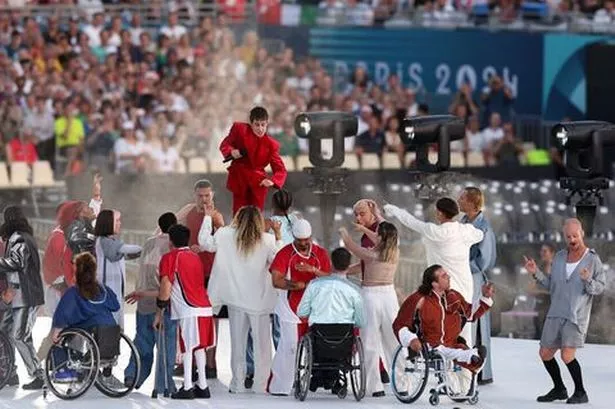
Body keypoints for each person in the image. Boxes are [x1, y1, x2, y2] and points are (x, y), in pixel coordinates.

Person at [199, 205, 282, 393]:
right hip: (259, 301)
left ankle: (237, 383)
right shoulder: (267, 239)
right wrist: (278, 235)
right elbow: (278, 259)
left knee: (238, 344)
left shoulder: (224, 234)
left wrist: (207, 217)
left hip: (235, 299)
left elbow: (205, 243)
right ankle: (260, 385)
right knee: (262, 347)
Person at [523, 218, 605, 404]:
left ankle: (581, 392)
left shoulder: (593, 259)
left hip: (575, 316)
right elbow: (551, 285)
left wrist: (588, 281)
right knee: (545, 353)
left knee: (567, 355)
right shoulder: (559, 257)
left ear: (582, 233)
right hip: (555, 312)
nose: (572, 239)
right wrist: (535, 272)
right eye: (568, 236)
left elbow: (600, 287)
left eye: (575, 235)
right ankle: (559, 389)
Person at [384, 198, 484, 344]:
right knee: (464, 327)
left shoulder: (434, 231)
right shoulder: (466, 231)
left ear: (439, 213)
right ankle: (466, 364)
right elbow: (480, 234)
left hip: (441, 285)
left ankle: (444, 362)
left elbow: (411, 221)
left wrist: (393, 209)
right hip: (464, 285)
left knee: (442, 327)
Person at [267, 219, 332, 396]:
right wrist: (299, 286)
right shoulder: (285, 253)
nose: (303, 243)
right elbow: (276, 280)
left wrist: (312, 270)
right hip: (291, 308)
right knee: (290, 346)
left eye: (306, 240)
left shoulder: (320, 253)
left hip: (317, 308)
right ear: (294, 237)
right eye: (299, 240)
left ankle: (321, 378)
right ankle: (279, 385)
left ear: (310, 237)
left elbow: (329, 276)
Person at [393, 265, 495, 376]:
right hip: (430, 345)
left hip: (452, 343)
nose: (449, 277)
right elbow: (400, 324)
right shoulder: (419, 299)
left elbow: (470, 314)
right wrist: (411, 339)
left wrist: (485, 297)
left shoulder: (453, 296)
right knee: (461, 354)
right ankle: (473, 357)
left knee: (463, 354)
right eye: (444, 276)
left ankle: (474, 358)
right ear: (434, 283)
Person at [339, 221, 400, 397]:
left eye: (377, 233)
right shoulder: (394, 251)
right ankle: (401, 384)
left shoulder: (372, 254)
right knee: (393, 340)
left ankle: (375, 386)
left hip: (371, 296)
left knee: (370, 341)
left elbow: (351, 247)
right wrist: (366, 229)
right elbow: (382, 237)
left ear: (381, 237)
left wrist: (344, 232)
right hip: (389, 296)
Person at [245, 189, 299, 387]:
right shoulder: (297, 221)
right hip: (287, 280)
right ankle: (285, 369)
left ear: (273, 204)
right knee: (282, 328)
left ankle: (252, 369)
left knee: (255, 327)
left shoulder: (266, 225)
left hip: (266, 279)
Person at [155, 224, 215, 400]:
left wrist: (159, 310)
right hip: (204, 306)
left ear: (170, 240)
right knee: (199, 347)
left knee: (187, 347)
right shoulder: (195, 257)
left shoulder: (169, 258)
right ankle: (202, 386)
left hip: (189, 309)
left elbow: (166, 286)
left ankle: (187, 386)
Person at [297, 247, 364, 394]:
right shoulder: (354, 290)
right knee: (345, 341)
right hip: (344, 338)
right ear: (348, 265)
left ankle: (319, 376)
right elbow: (360, 321)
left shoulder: (315, 285)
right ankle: (335, 378)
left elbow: (301, 312)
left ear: (331, 264)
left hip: (319, 336)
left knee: (315, 337)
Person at [123, 212, 178, 391]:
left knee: (142, 342)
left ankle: (133, 375)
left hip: (142, 304)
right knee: (165, 348)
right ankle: (164, 384)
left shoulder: (148, 243)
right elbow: (167, 281)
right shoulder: (172, 247)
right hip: (161, 304)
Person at [176, 179, 225, 379]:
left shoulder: (216, 216)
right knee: (188, 316)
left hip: (209, 272)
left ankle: (211, 363)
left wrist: (203, 246)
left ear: (212, 195)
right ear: (194, 195)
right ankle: (188, 359)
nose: (204, 199)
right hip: (190, 271)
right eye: (200, 196)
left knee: (211, 318)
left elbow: (221, 240)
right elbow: (171, 226)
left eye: (207, 195)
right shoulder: (188, 211)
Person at [50, 252, 120, 382]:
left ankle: (64, 370)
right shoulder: (103, 289)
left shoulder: (74, 292)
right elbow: (116, 306)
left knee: (59, 337)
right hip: (110, 332)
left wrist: (57, 330)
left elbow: (63, 313)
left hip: (90, 332)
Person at [0, 206, 45, 389]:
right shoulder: (22, 237)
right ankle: (10, 371)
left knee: (19, 335)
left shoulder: (19, 238)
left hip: (25, 296)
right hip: (20, 295)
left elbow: (16, 263)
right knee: (6, 332)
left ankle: (38, 375)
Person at [458, 187, 497, 385]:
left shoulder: (484, 228)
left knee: (476, 321)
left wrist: (462, 263)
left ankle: (481, 371)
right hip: (462, 274)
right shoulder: (463, 222)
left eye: (462, 197)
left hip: (474, 276)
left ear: (472, 202)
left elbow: (485, 260)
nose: (458, 199)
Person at [219, 106, 288, 214]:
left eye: (263, 125)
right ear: (251, 123)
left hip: (258, 184)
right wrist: (231, 151)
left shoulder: (271, 145)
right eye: (257, 124)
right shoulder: (239, 129)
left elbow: (281, 170)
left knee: (256, 216)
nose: (260, 128)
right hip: (240, 179)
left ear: (267, 124)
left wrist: (272, 181)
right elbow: (225, 144)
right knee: (239, 215)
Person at [352, 198, 390, 384]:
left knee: (377, 336)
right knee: (367, 334)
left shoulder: (379, 230)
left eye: (362, 213)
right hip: (368, 288)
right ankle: (380, 370)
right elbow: (364, 262)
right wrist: (341, 270)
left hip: (381, 289)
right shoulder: (365, 236)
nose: (358, 218)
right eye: (356, 214)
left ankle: (387, 373)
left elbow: (386, 237)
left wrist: (378, 216)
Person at [94, 209, 142, 328]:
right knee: (110, 329)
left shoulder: (111, 242)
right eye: (117, 220)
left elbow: (126, 254)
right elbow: (127, 249)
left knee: (115, 328)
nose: (120, 223)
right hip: (107, 293)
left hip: (113, 292)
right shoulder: (105, 242)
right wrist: (147, 247)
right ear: (108, 222)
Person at [64, 173, 104, 256]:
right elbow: (74, 239)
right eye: (88, 208)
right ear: (81, 214)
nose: (92, 208)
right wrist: (92, 238)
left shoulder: (93, 218)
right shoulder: (77, 225)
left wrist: (96, 186)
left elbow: (96, 198)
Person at [528, 243, 556, 338]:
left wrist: (542, 292)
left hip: (552, 307)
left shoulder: (558, 269)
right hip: (540, 307)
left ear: (552, 253)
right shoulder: (539, 269)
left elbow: (555, 289)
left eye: (545, 251)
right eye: (541, 251)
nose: (542, 253)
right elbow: (531, 288)